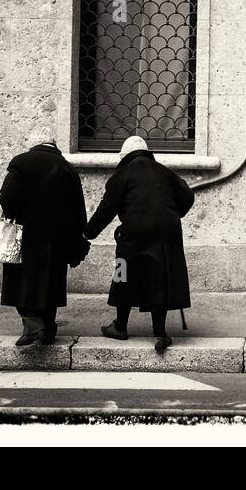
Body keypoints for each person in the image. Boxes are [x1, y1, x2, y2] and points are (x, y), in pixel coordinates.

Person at [83, 135, 193, 353]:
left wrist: (88, 233)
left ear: (124, 156)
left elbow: (106, 209)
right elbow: (187, 197)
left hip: (133, 233)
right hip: (166, 233)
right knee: (159, 277)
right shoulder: (165, 172)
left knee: (122, 274)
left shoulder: (121, 175)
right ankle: (160, 333)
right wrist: (173, 213)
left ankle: (120, 326)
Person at [0, 127, 89, 347]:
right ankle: (47, 329)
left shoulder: (22, 162)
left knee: (22, 282)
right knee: (51, 283)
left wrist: (11, 213)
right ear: (53, 144)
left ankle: (33, 325)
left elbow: (8, 196)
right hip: (58, 238)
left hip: (27, 235)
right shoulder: (68, 169)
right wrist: (77, 241)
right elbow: (79, 210)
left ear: (33, 144)